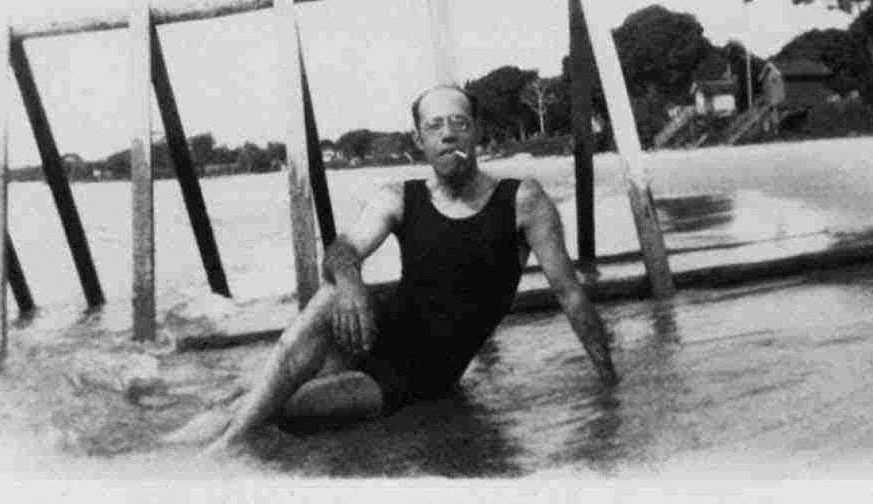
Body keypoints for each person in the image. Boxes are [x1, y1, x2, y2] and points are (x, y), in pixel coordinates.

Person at [166, 84, 619, 454]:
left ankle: (216, 449)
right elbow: (343, 249)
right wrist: (350, 283)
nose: (449, 135)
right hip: (366, 335)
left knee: (283, 408)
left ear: (476, 132)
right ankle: (201, 449)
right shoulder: (400, 197)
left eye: (459, 123)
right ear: (419, 140)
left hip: (417, 376)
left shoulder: (522, 200)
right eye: (434, 126)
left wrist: (610, 385)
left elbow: (570, 294)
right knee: (286, 353)